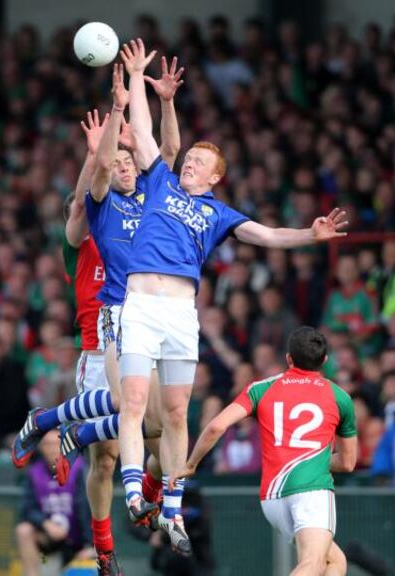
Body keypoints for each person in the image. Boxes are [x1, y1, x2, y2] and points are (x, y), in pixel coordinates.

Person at [116, 38, 347, 554]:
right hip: (142, 304)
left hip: (181, 312)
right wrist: (136, 78)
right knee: (134, 404)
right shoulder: (159, 183)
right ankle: (134, 490)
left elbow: (267, 236)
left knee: (177, 413)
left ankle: (170, 504)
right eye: (189, 158)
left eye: (199, 162)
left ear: (215, 176)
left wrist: (310, 235)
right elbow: (146, 130)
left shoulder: (220, 213)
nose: (189, 164)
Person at [11, 58, 184, 574]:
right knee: (108, 455)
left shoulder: (145, 213)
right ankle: (103, 548)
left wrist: (162, 104)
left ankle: (60, 427)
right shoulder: (81, 240)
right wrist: (99, 147)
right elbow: (94, 187)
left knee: (155, 429)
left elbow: (166, 156)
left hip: (144, 334)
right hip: (98, 346)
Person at [172, 327, 357, 576]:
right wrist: (318, 460)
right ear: (324, 360)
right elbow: (347, 463)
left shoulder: (261, 389)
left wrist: (192, 464)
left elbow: (216, 426)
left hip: (272, 497)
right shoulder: (340, 397)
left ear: (289, 359)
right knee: (312, 563)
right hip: (311, 491)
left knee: (335, 562)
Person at [14, 430, 93, 576]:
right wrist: (45, 523)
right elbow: (27, 509)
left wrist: (90, 544)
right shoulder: (34, 472)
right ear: (40, 448)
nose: (52, 449)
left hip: (79, 538)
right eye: (47, 444)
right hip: (51, 537)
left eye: (56, 444)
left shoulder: (80, 468)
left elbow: (89, 507)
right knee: (23, 530)